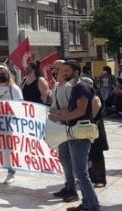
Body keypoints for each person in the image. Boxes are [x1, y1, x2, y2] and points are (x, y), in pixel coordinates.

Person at [50, 59, 100, 211]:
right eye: (62, 70)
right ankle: (87, 204)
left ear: (76, 72)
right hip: (75, 133)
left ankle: (93, 206)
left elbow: (80, 110)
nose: (63, 73)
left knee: (81, 173)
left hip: (79, 134)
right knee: (80, 172)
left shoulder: (80, 87)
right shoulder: (76, 87)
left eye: (67, 71)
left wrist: (60, 118)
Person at [50, 59, 79, 203]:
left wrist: (57, 114)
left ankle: (73, 191)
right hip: (60, 128)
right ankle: (68, 186)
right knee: (63, 159)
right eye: (53, 68)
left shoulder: (69, 87)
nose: (54, 71)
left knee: (71, 160)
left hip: (70, 128)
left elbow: (72, 109)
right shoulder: (56, 86)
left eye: (56, 68)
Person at [84, 77, 108, 188]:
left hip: (96, 131)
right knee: (89, 156)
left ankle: (100, 179)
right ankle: (90, 177)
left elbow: (92, 116)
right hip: (88, 131)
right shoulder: (85, 98)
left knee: (97, 156)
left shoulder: (95, 99)